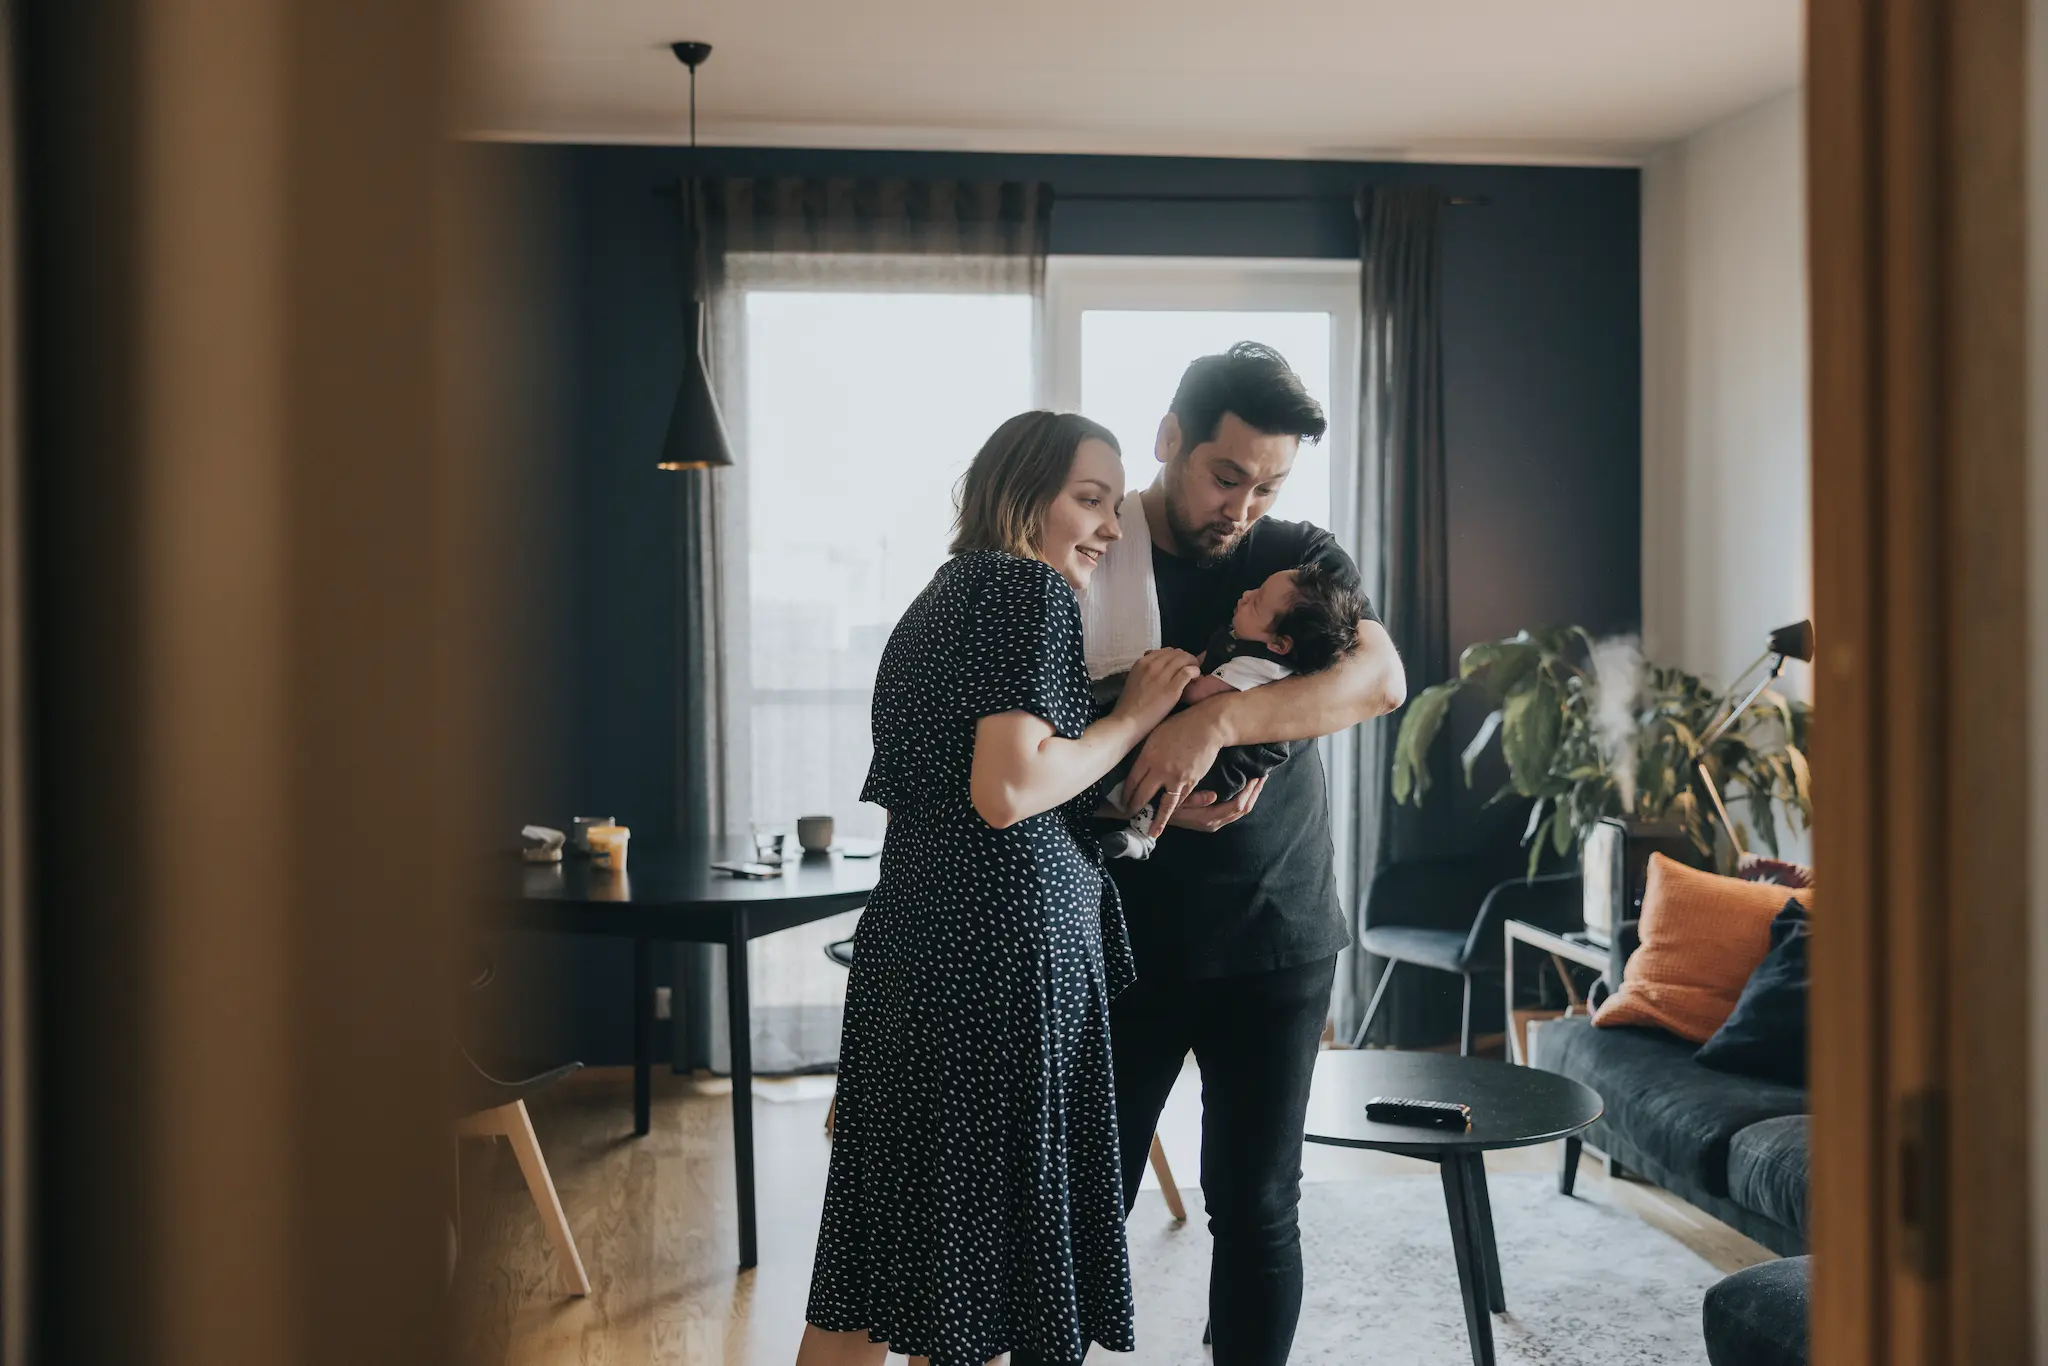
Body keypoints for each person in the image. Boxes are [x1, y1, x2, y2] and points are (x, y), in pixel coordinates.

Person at [797, 411, 1200, 1366]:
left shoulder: (942, 598)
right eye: (1088, 501)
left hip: (919, 949)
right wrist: (1140, 714)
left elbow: (990, 783)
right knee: (975, 1272)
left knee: (882, 1255)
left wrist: (1130, 803)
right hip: (998, 970)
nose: (1108, 527)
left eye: (1114, 503)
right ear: (1023, 498)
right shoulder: (1026, 591)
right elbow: (1009, 788)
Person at [1035, 343, 1407, 1366]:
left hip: (1276, 937)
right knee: (1077, 1205)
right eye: (1225, 474)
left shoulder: (1292, 554)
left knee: (1256, 1205)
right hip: (1121, 938)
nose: (1243, 505)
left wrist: (1214, 725)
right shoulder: (1087, 549)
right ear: (1168, 443)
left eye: (1268, 483)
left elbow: (1376, 681)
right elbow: (1030, 745)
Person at [1099, 560, 1370, 859]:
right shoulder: (1248, 640)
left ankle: (1141, 835)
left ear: (1280, 645)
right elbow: (1206, 659)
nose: (1246, 595)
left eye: (1256, 604)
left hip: (1228, 764)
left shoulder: (1257, 666)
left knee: (1162, 784)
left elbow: (1199, 691)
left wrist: (1167, 672)